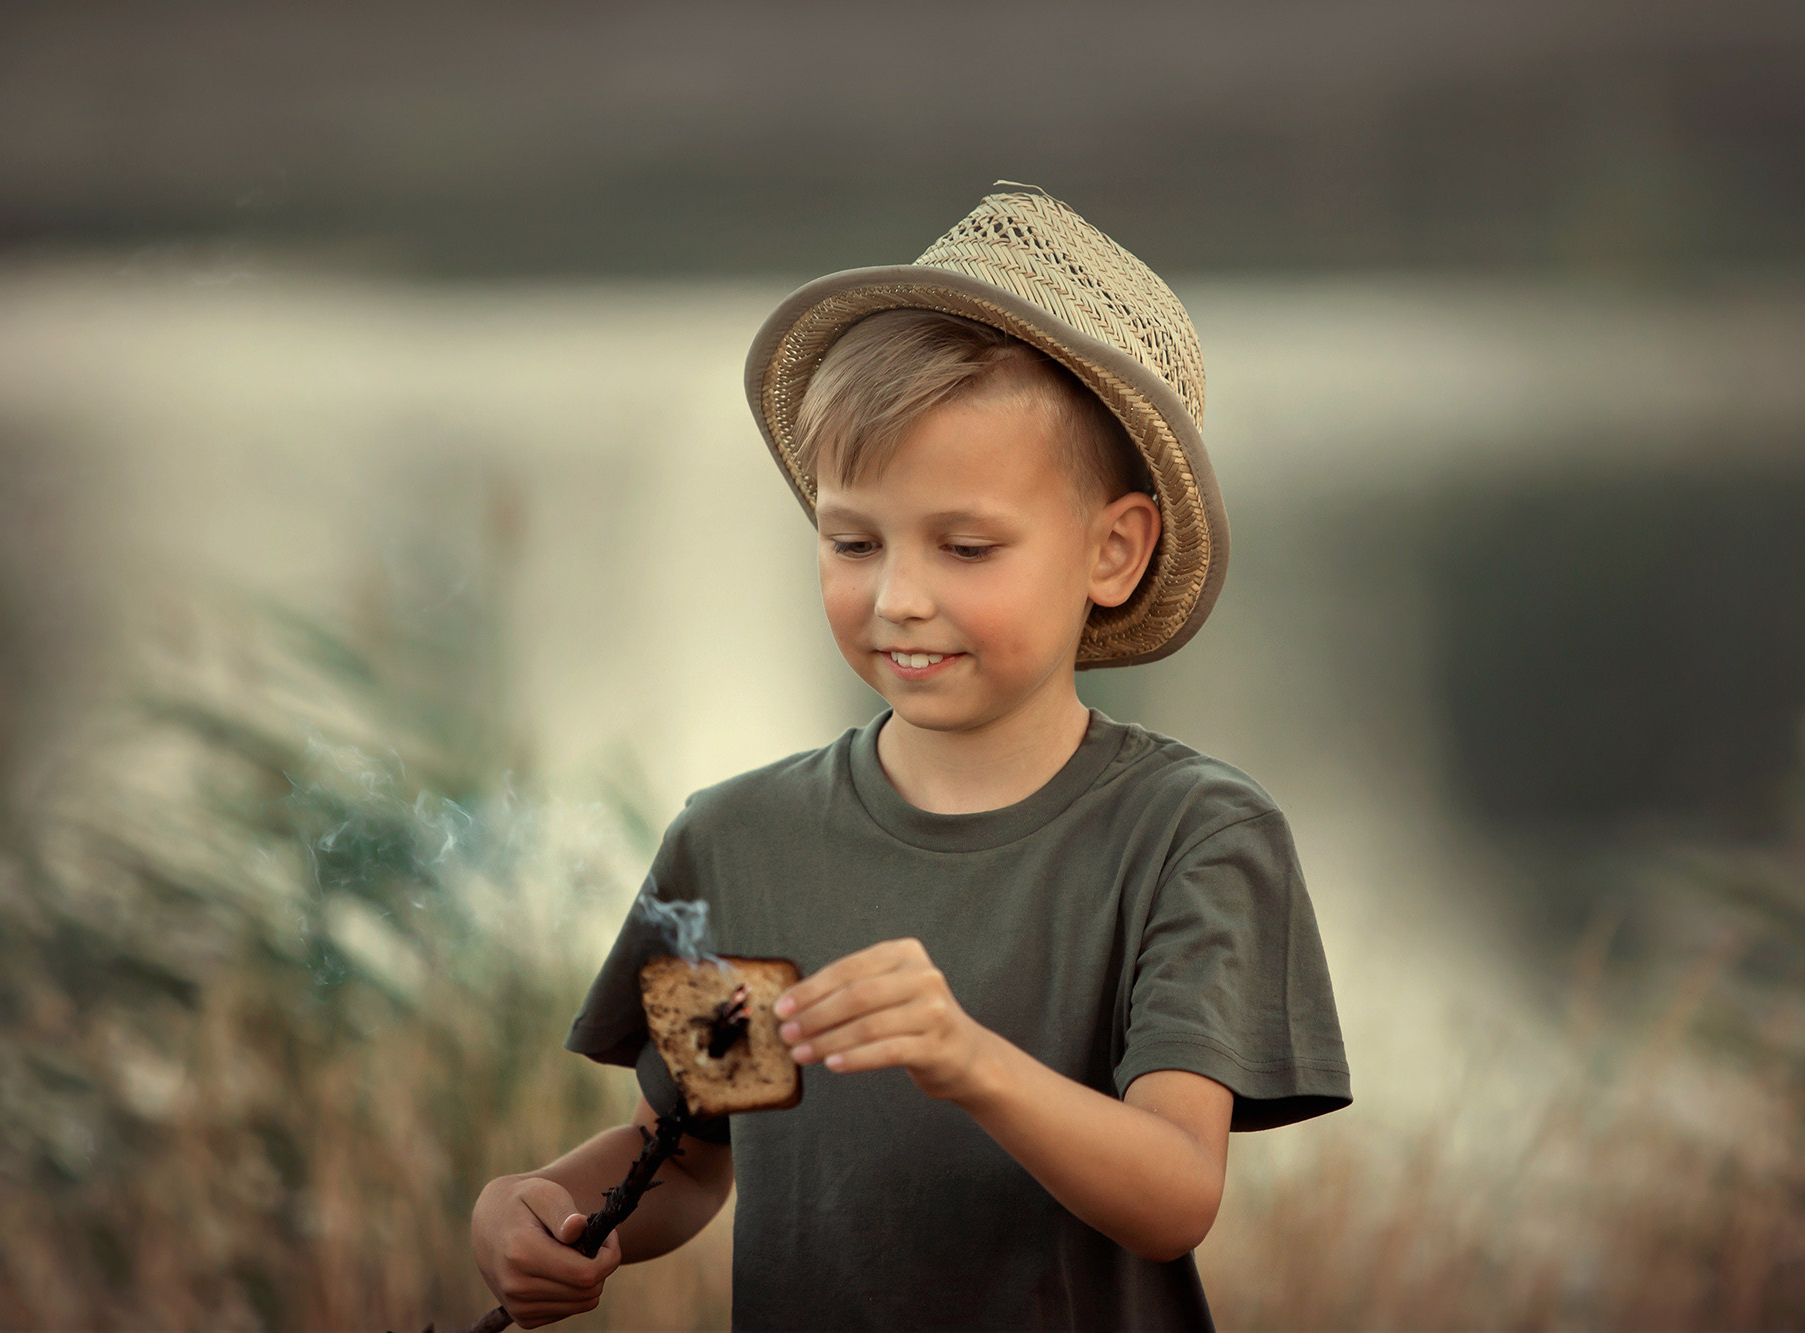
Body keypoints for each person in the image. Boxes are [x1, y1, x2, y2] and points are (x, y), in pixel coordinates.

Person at [469, 188, 1350, 1331]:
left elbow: (1173, 1192)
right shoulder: (735, 843)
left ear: (1113, 550)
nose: (896, 598)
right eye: (851, 540)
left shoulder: (1192, 837)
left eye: (967, 545)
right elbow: (685, 1156)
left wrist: (967, 1059)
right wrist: (536, 1209)